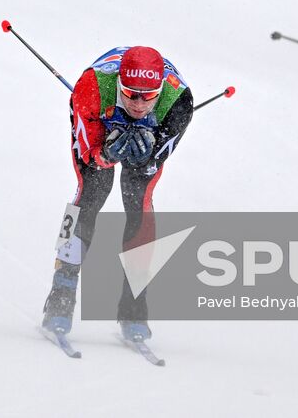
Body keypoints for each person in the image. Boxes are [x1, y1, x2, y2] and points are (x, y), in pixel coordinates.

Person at [39, 46, 195, 344]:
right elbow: (88, 153)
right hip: (100, 123)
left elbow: (156, 159)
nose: (138, 104)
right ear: (119, 85)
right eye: (130, 93)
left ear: (160, 91)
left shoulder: (178, 103)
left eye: (148, 96)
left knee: (140, 200)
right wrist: (106, 153)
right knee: (91, 192)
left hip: (150, 132)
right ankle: (61, 292)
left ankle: (135, 307)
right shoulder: (92, 87)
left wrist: (147, 156)